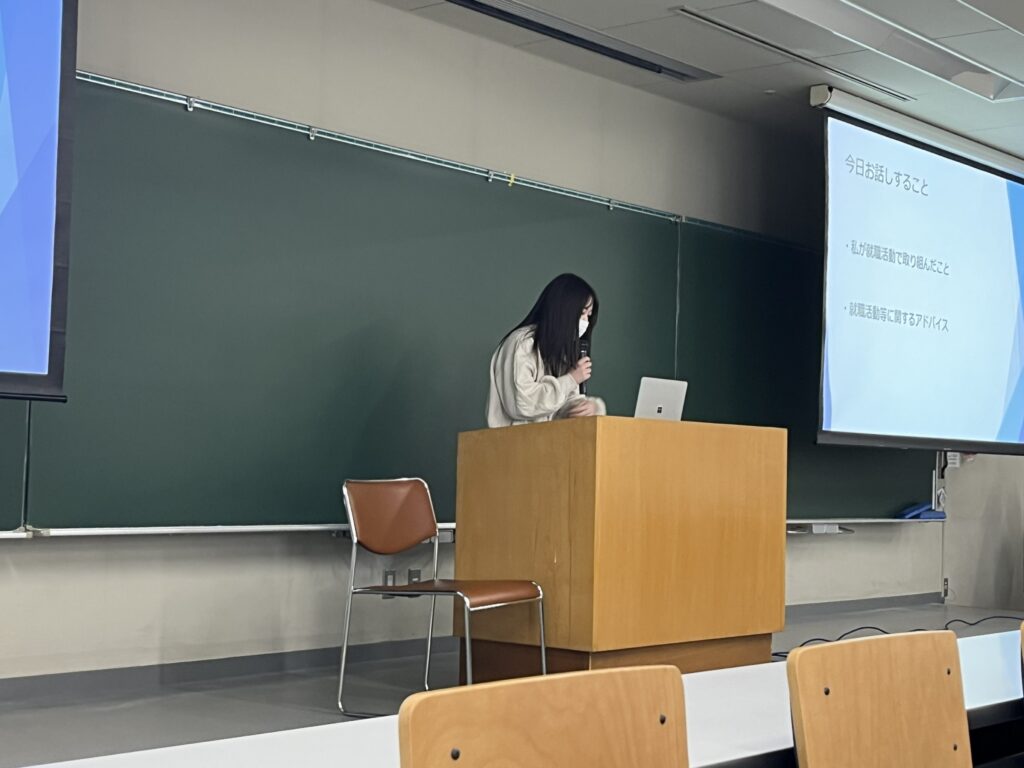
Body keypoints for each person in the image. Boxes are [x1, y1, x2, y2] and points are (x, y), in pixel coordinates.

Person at [487, 273, 607, 428]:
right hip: (513, 441)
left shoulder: (561, 352)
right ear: (563, 309)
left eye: (589, 316)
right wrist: (571, 379)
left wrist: (590, 408)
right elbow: (522, 403)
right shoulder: (523, 344)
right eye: (582, 313)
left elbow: (558, 408)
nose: (586, 321)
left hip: (547, 441)